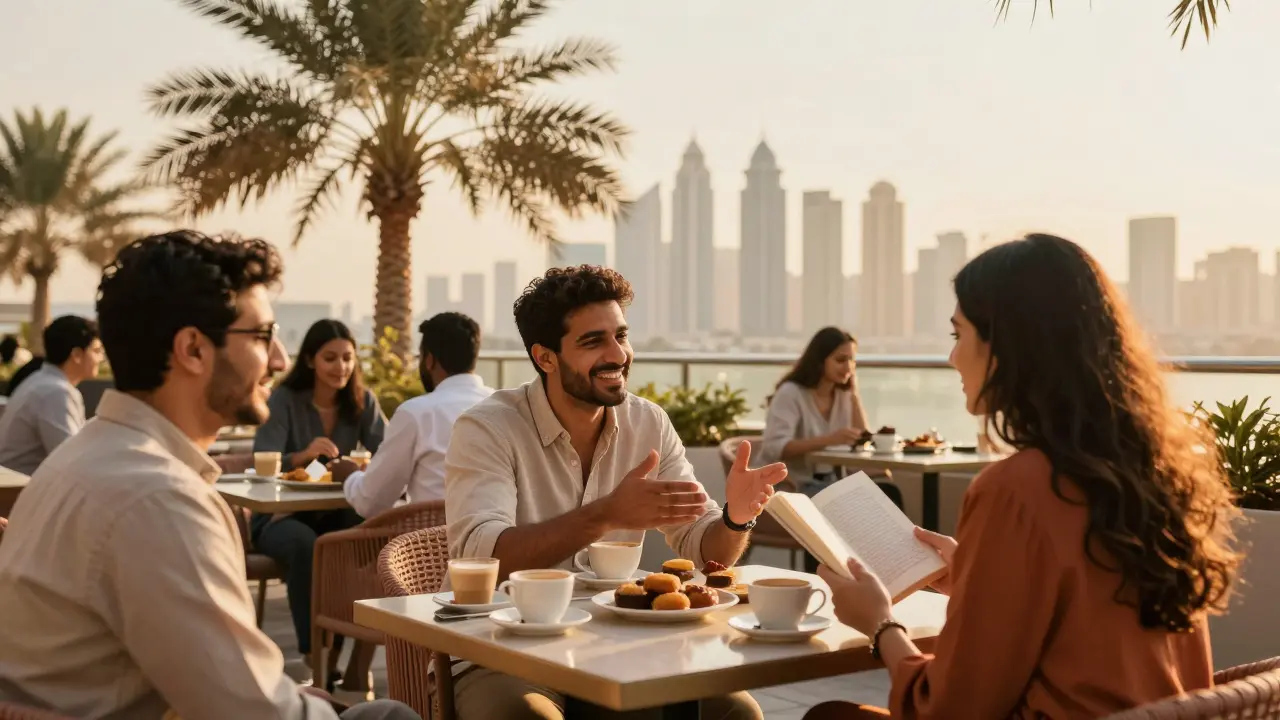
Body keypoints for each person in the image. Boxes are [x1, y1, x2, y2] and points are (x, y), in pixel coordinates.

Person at [806, 234, 1240, 719]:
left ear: (1009, 347)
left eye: (958, 335)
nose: (952, 358)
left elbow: (953, 709)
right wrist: (977, 574)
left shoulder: (1016, 490)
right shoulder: (1154, 476)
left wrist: (881, 623)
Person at [0, 229, 419, 719]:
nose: (279, 361)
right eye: (263, 337)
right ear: (193, 350)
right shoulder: (158, 500)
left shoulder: (82, 461)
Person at [445, 265, 786, 720]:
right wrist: (605, 514)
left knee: (736, 713)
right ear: (545, 358)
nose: (618, 354)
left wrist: (735, 518)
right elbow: (483, 560)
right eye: (593, 342)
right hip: (500, 646)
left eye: (621, 336)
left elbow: (705, 549)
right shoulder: (487, 428)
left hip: (616, 645)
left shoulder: (648, 423)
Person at [252, 318, 387, 689]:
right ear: (310, 360)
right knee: (307, 546)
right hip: (279, 518)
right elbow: (264, 456)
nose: (341, 367)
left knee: (348, 543)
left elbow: (388, 454)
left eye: (347, 358)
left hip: (334, 512)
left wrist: (366, 465)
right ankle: (316, 654)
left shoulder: (363, 402)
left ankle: (332, 655)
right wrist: (302, 456)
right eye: (330, 358)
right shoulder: (284, 399)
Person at [761, 327, 902, 573]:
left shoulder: (843, 395)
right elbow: (776, 447)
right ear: (819, 360)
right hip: (794, 485)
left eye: (852, 360)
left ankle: (885, 576)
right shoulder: (791, 394)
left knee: (889, 493)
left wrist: (854, 394)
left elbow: (863, 437)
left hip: (833, 481)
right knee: (833, 505)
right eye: (840, 360)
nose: (847, 367)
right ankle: (824, 580)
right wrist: (829, 439)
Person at [333, 312, 494, 517]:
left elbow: (371, 502)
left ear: (429, 360)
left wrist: (350, 475)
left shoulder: (417, 414)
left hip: (429, 545)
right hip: (499, 541)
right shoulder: (504, 407)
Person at [0, 315, 103, 474]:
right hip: (19, 493)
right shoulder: (56, 392)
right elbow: (73, 461)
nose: (100, 358)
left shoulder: (38, 382)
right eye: (96, 351)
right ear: (76, 355)